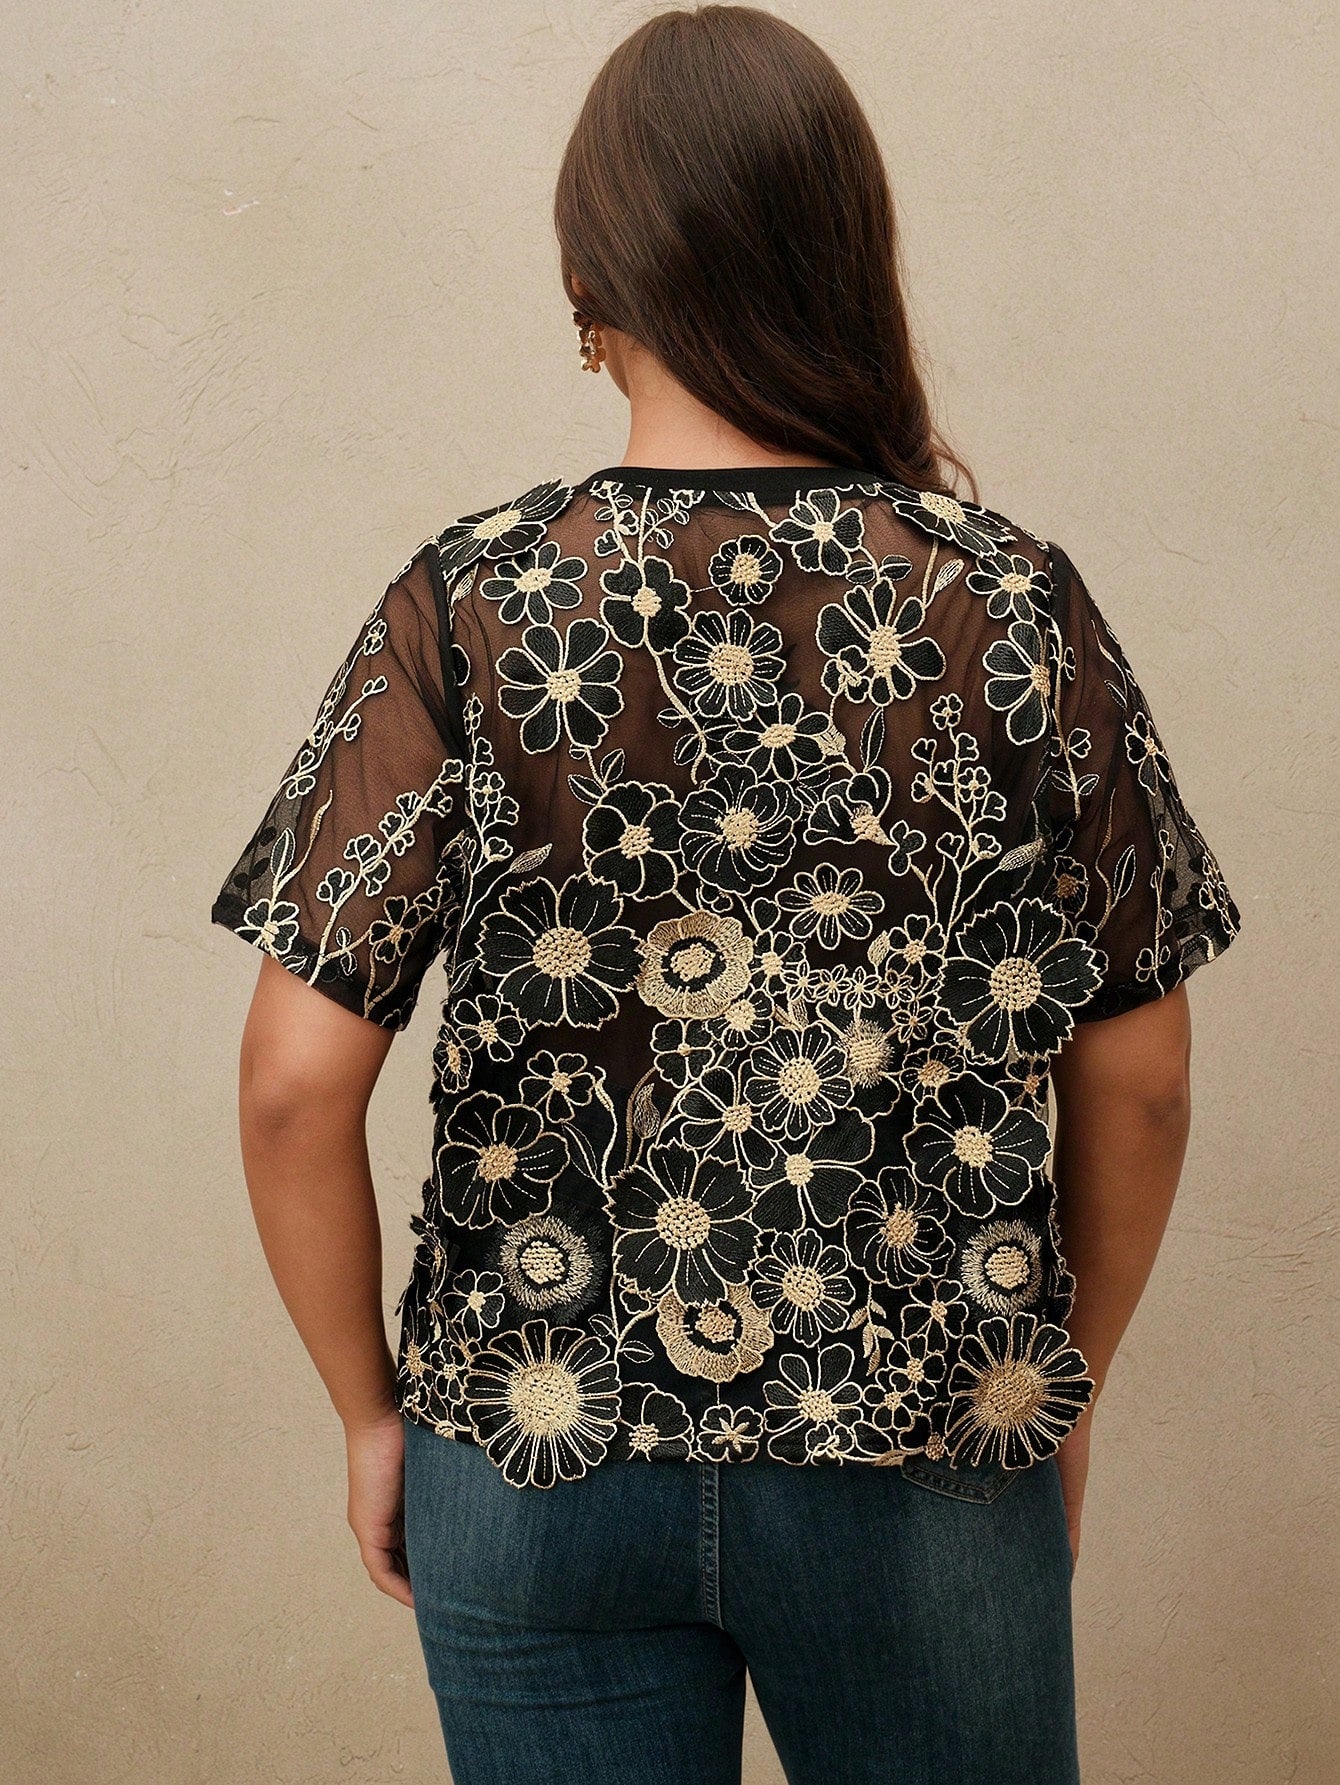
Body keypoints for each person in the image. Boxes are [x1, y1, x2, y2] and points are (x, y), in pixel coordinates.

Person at [209, 7, 1242, 1782]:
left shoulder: (468, 603)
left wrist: (372, 1416)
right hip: (920, 1437)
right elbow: (1140, 1079)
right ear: (842, 254)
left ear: (589, 278)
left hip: (532, 1446)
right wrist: (1050, 1379)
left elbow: (293, 1084)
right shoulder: (1009, 606)